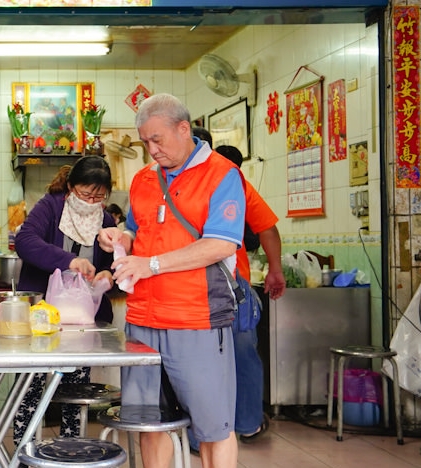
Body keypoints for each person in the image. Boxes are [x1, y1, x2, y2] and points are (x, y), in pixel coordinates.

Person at [98, 93, 244, 468]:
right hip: (143, 320)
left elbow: (220, 243)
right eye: (145, 142)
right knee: (149, 424)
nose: (151, 150)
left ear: (183, 129)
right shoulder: (144, 179)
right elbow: (136, 229)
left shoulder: (222, 174)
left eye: (157, 140)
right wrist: (119, 237)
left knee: (214, 427)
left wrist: (153, 264)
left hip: (196, 319)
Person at [189, 127, 286, 449]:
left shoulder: (167, 180)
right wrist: (274, 269)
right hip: (231, 284)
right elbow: (268, 229)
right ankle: (246, 423)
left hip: (194, 285)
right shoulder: (229, 177)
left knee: (197, 359)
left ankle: (199, 431)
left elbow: (266, 228)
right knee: (241, 353)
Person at [12, 155, 116, 445]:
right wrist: (70, 261)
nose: (92, 200)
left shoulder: (105, 220)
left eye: (99, 195)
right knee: (31, 386)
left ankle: (71, 448)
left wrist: (109, 273)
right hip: (40, 317)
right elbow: (26, 241)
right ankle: (24, 450)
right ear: (70, 186)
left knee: (74, 387)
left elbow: (112, 262)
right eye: (85, 193)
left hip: (80, 321)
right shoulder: (51, 206)